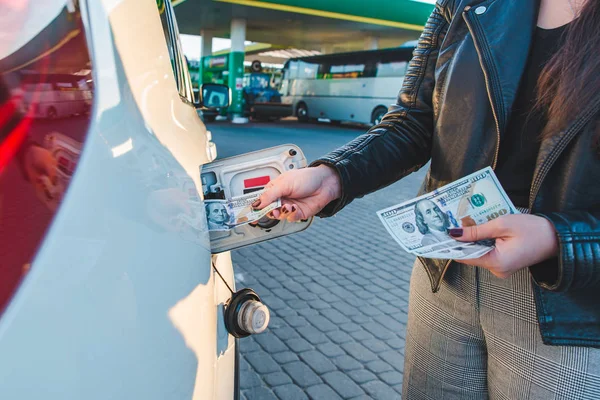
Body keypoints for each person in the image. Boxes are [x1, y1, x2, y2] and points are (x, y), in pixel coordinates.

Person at [252, 0, 600, 398]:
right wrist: (333, 175)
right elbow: (413, 120)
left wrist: (562, 239)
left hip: (569, 301)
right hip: (447, 269)